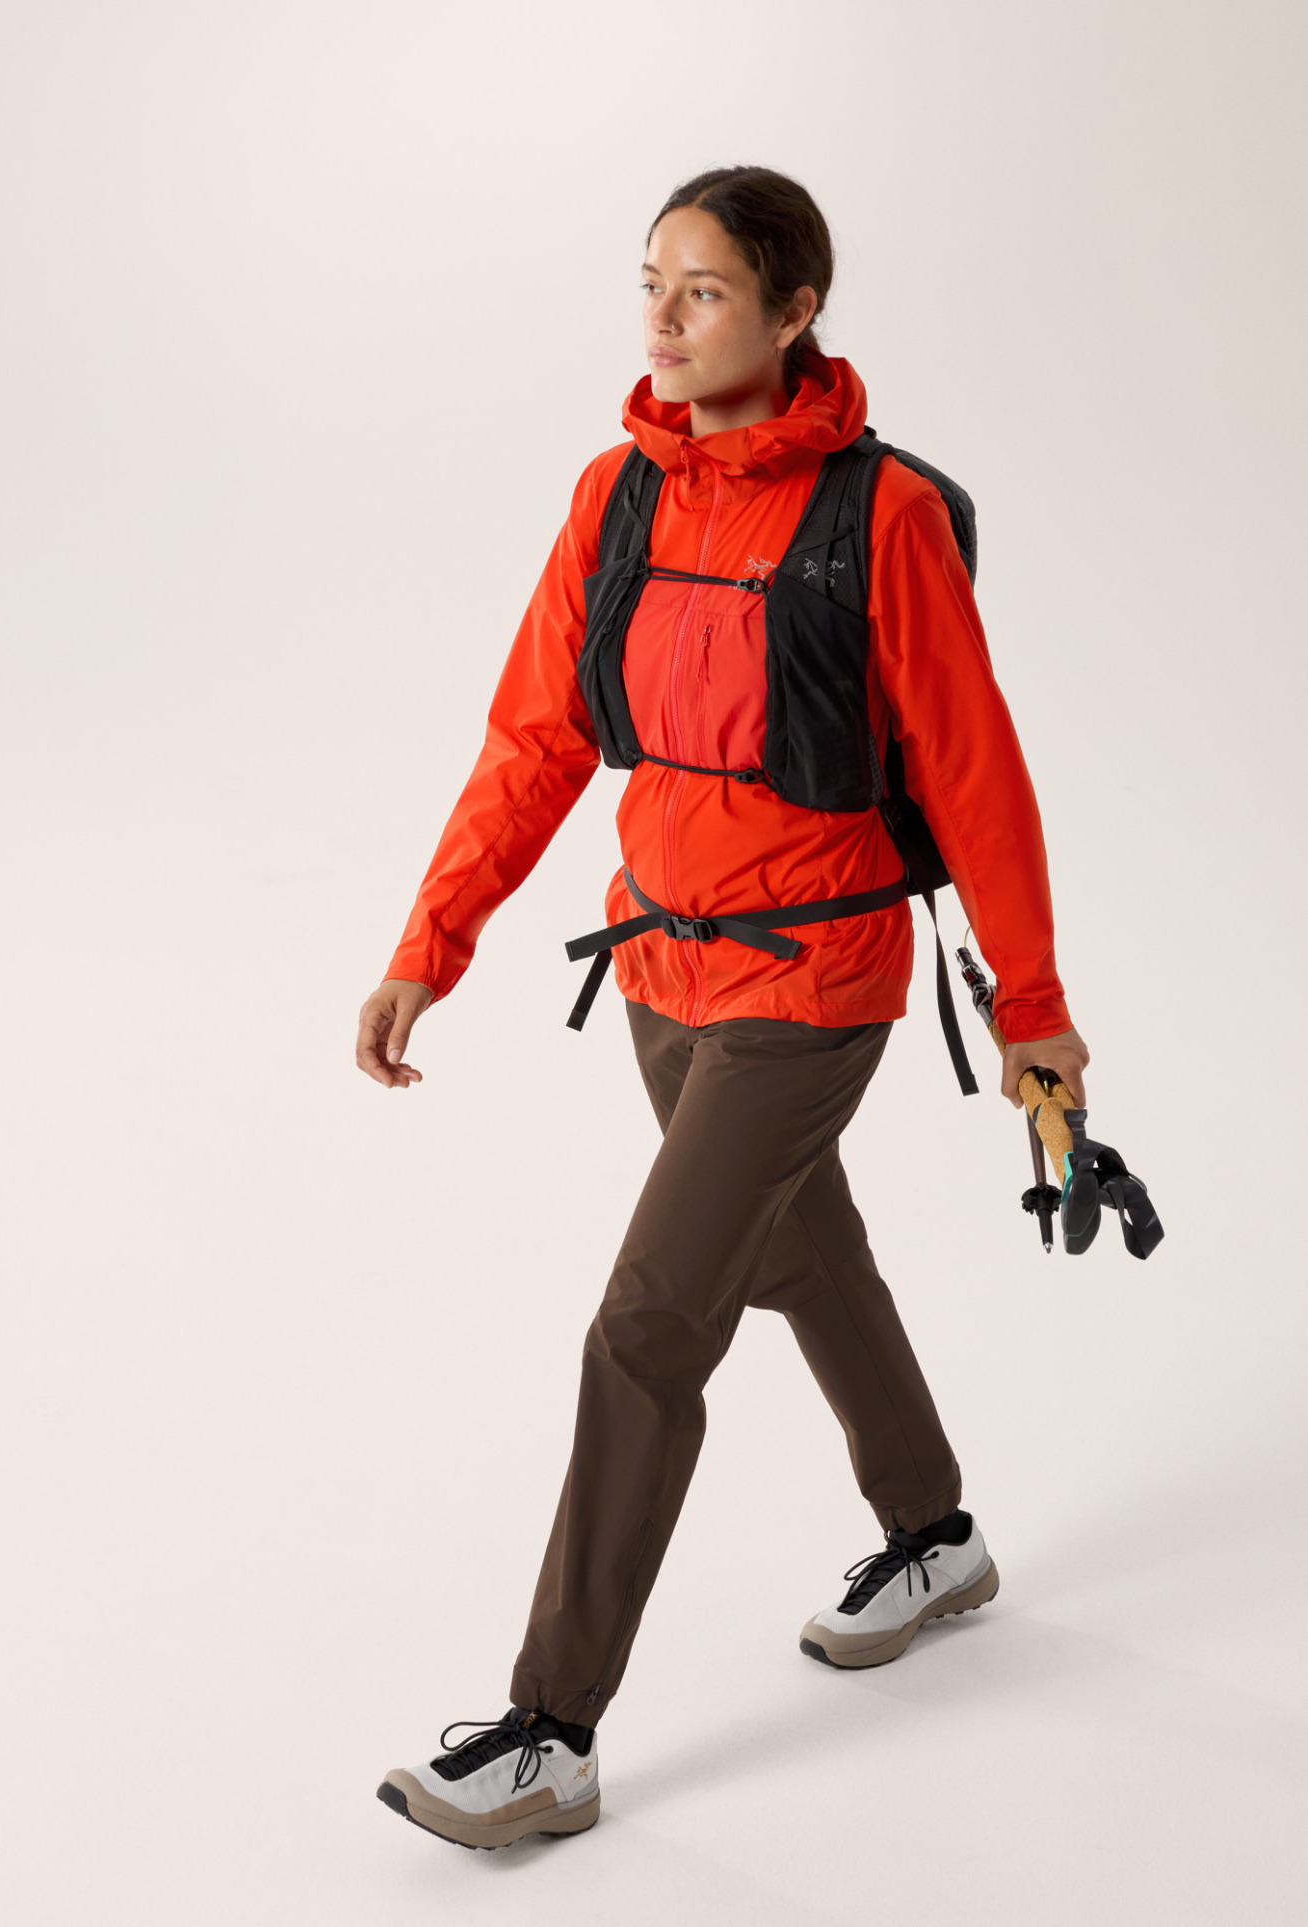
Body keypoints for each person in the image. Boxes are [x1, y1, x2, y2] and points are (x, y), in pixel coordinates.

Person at [359, 165, 1088, 1853]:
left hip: (812, 981)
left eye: (701, 291)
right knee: (797, 1254)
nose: (663, 320)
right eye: (650, 284)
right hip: (659, 971)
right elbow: (535, 738)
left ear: (794, 309)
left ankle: (551, 1732)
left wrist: (1035, 1008)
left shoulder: (878, 516)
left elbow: (973, 773)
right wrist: (431, 942)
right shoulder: (617, 495)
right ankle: (936, 1538)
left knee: (647, 1325)